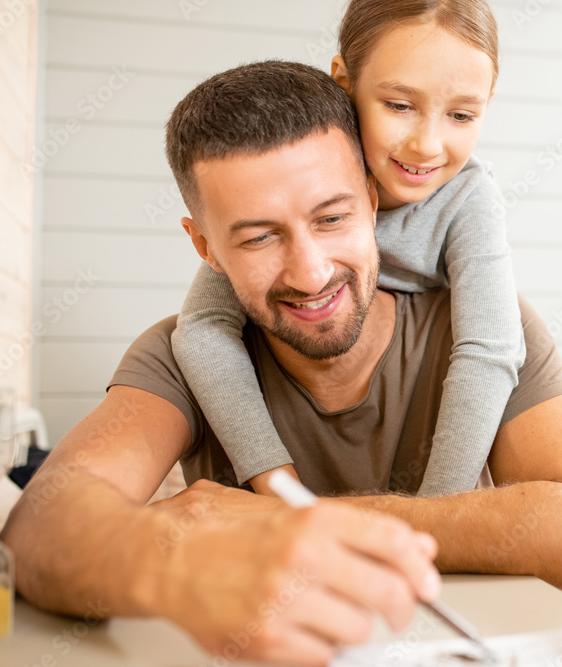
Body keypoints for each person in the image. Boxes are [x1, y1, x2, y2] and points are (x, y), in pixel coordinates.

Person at [3, 60, 562, 666]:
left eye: (332, 218)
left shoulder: (477, 328)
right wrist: (175, 563)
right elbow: (39, 529)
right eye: (257, 237)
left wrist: (292, 523)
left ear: (371, 199)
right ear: (205, 247)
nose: (310, 272)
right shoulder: (173, 354)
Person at [172, 0, 523, 499]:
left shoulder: (469, 199)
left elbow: (490, 349)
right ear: (343, 81)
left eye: (462, 114)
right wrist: (278, 487)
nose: (427, 144)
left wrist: (435, 514)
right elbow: (204, 327)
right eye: (400, 106)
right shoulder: (302, 178)